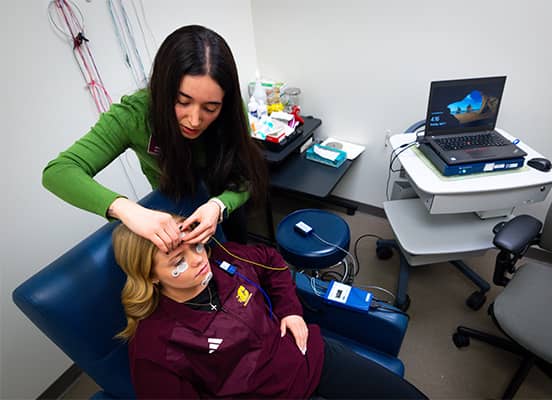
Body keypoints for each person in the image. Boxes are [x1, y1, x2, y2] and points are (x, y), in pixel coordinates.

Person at [112, 220, 428, 399]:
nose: (198, 260)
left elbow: (271, 262)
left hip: (309, 358)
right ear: (151, 276)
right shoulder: (155, 346)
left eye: (195, 245)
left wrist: (290, 310)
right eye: (178, 261)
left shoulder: (225, 260)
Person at [43, 25, 267, 251]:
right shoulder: (134, 116)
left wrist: (220, 206)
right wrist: (125, 209)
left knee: (237, 264)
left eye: (210, 108)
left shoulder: (230, 110)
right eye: (183, 101)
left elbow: (245, 173)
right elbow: (59, 171)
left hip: (224, 203)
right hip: (175, 210)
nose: (194, 120)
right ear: (163, 88)